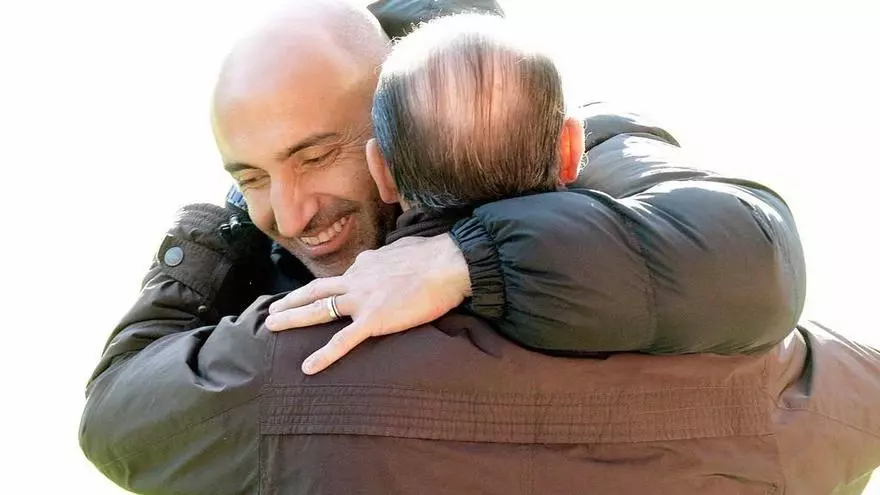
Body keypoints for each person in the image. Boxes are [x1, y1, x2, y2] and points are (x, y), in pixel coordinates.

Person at [78, 2, 862, 494]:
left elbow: (118, 413)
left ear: (385, 156)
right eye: (249, 178)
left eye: (315, 155)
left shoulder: (291, 360)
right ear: (566, 149)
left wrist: (464, 257)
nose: (286, 211)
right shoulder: (767, 373)